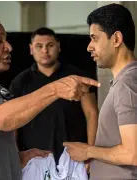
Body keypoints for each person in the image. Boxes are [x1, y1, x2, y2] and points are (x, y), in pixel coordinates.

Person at [0, 15, 100, 180]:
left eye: (6, 40)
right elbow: (1, 119)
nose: (8, 47)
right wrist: (55, 89)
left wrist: (15, 158)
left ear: (58, 47)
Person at [64, 3, 137, 180]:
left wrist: (88, 151)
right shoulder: (126, 81)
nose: (89, 46)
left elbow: (133, 153)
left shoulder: (127, 83)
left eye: (95, 38)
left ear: (117, 39)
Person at [9, 27, 99, 163]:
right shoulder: (20, 82)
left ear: (59, 46)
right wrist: (15, 157)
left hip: (73, 157)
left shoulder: (77, 76)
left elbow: (92, 114)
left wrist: (91, 154)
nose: (45, 50)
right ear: (31, 49)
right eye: (39, 46)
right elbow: (13, 120)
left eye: (50, 45)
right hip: (34, 159)